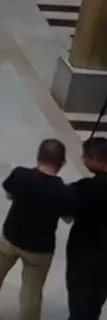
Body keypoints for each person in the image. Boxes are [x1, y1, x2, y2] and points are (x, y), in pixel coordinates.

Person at [0, 139, 74, 320]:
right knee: (32, 289)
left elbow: (9, 195)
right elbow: (68, 218)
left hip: (11, 237)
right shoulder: (64, 192)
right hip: (40, 248)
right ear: (61, 163)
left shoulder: (20, 175)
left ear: (38, 156)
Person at [66, 137, 107, 320]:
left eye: (85, 156)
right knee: (96, 300)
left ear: (96, 159)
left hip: (85, 253)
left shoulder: (87, 188)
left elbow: (63, 200)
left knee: (80, 299)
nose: (82, 159)